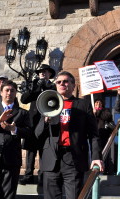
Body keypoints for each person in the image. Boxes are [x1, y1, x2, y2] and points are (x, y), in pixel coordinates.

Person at [35, 71, 104, 199]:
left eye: (66, 81)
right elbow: (38, 134)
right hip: (51, 160)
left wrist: (96, 156)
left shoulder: (83, 105)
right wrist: (45, 121)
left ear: (73, 86)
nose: (62, 84)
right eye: (59, 82)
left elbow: (94, 134)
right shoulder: (47, 103)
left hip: (73, 159)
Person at [19, 64, 56, 185]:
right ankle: (28, 174)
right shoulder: (33, 84)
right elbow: (24, 99)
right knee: (30, 149)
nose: (42, 73)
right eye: (40, 72)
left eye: (45, 71)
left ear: (49, 74)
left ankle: (42, 175)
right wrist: (35, 88)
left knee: (43, 148)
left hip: (46, 121)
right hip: (33, 121)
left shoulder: (53, 86)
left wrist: (46, 88)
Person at [93, 98, 114, 174]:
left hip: (103, 134)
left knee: (103, 152)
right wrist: (93, 113)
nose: (98, 104)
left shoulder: (105, 110)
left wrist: (99, 110)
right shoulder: (91, 111)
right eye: (96, 103)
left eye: (99, 103)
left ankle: (105, 169)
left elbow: (107, 117)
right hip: (94, 134)